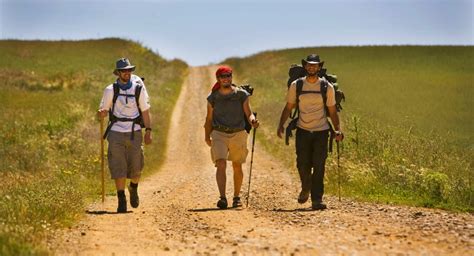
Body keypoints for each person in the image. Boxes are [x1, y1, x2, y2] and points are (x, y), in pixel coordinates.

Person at [277, 54, 343, 210]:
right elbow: (289, 107)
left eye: (315, 65)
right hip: (303, 130)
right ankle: (306, 187)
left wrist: (338, 129)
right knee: (302, 164)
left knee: (319, 166)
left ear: (319, 67)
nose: (312, 67)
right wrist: (281, 125)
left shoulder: (327, 87)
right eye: (309, 65)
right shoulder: (296, 85)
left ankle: (317, 199)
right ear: (305, 67)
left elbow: (332, 111)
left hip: (322, 131)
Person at [97, 58, 152, 213]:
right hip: (115, 131)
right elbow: (103, 110)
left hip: (134, 131)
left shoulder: (138, 89)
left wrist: (148, 131)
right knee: (118, 165)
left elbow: (146, 111)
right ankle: (121, 198)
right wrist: (101, 113)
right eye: (124, 71)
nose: (127, 73)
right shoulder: (110, 90)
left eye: (129, 70)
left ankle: (133, 187)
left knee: (137, 167)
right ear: (118, 73)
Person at [204, 66, 259, 209]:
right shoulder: (213, 98)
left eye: (228, 75)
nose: (226, 78)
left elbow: (249, 113)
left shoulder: (241, 95)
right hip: (219, 133)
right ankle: (222, 198)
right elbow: (209, 119)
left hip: (238, 132)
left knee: (236, 165)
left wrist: (253, 121)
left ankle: (236, 197)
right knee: (220, 163)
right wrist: (206, 136)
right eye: (223, 76)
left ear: (231, 77)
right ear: (218, 79)